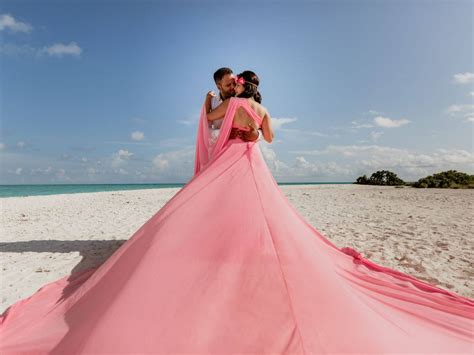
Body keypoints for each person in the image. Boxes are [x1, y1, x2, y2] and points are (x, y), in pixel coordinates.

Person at [0, 71, 473, 354]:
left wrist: (210, 102)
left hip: (227, 158)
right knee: (262, 211)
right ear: (259, 91)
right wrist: (254, 127)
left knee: (209, 207)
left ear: (236, 85)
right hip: (250, 159)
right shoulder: (260, 111)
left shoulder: (225, 104)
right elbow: (269, 141)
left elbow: (208, 128)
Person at [204, 67, 262, 147]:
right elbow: (205, 130)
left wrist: (257, 135)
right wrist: (223, 133)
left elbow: (260, 126)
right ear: (219, 86)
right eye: (228, 85)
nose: (233, 87)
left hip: (244, 150)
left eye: (234, 83)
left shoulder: (245, 99)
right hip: (221, 152)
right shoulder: (212, 102)